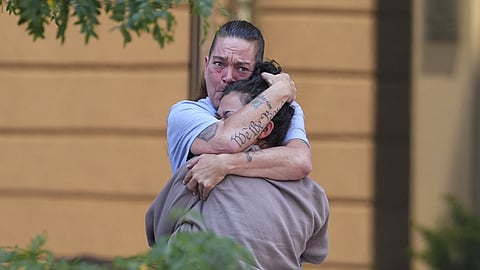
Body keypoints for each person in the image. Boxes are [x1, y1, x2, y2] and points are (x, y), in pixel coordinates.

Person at [146, 61, 329, 269]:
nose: (220, 125)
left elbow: (158, 229)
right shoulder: (313, 195)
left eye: (228, 118)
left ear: (264, 129)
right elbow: (315, 252)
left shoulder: (204, 169)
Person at [166, 20, 312, 200]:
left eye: (242, 68)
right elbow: (228, 142)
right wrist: (281, 89)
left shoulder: (281, 105)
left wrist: (226, 163)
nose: (228, 77)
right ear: (206, 66)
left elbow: (300, 161)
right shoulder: (185, 112)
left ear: (256, 72)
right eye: (219, 64)